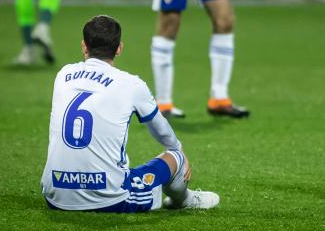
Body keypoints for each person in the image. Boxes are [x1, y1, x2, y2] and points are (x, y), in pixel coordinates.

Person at [40, 15, 220, 212]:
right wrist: (180, 152)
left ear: (84, 46)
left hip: (56, 194)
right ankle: (185, 200)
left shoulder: (63, 75)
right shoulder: (131, 84)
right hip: (110, 199)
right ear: (119, 48)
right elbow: (163, 132)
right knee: (175, 155)